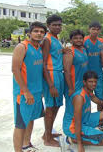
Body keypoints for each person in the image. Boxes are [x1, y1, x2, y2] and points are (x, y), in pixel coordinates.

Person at [12, 22, 47, 152]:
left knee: (31, 119)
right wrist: (25, 91)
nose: (39, 34)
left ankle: (26, 145)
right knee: (20, 124)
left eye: (42, 32)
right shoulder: (22, 47)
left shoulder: (39, 48)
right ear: (29, 33)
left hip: (37, 92)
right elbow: (15, 69)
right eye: (36, 31)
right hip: (24, 93)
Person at [62, 71, 103, 152]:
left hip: (85, 119)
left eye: (95, 81)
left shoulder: (89, 93)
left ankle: (87, 132)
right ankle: (71, 139)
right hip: (72, 126)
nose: (93, 84)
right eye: (90, 81)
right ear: (84, 82)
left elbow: (101, 103)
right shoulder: (79, 97)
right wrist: (80, 144)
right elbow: (77, 122)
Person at [42, 14, 65, 147]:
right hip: (52, 74)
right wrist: (50, 85)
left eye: (59, 25)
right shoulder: (47, 39)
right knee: (50, 107)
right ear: (48, 26)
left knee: (56, 105)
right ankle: (47, 139)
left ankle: (48, 133)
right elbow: (44, 63)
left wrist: (63, 51)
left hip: (58, 74)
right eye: (54, 25)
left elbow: (55, 55)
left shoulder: (56, 39)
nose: (57, 27)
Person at [84, 22, 103, 111]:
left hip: (99, 74)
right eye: (93, 29)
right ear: (89, 29)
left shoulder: (102, 41)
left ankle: (100, 118)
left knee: (100, 98)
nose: (95, 31)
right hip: (86, 74)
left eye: (97, 29)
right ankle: (86, 116)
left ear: (99, 31)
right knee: (86, 97)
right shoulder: (84, 40)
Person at [64, 29, 88, 97]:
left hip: (83, 84)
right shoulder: (69, 52)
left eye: (80, 38)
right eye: (75, 38)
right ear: (71, 40)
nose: (78, 40)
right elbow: (66, 71)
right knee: (73, 106)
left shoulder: (84, 49)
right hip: (74, 85)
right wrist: (71, 88)